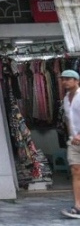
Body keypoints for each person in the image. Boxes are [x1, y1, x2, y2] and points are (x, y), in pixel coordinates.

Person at [62, 69, 80, 219]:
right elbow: (68, 119)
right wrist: (72, 135)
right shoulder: (66, 98)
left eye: (68, 79)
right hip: (73, 141)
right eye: (63, 79)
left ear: (76, 81)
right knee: (75, 170)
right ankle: (78, 206)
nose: (65, 81)